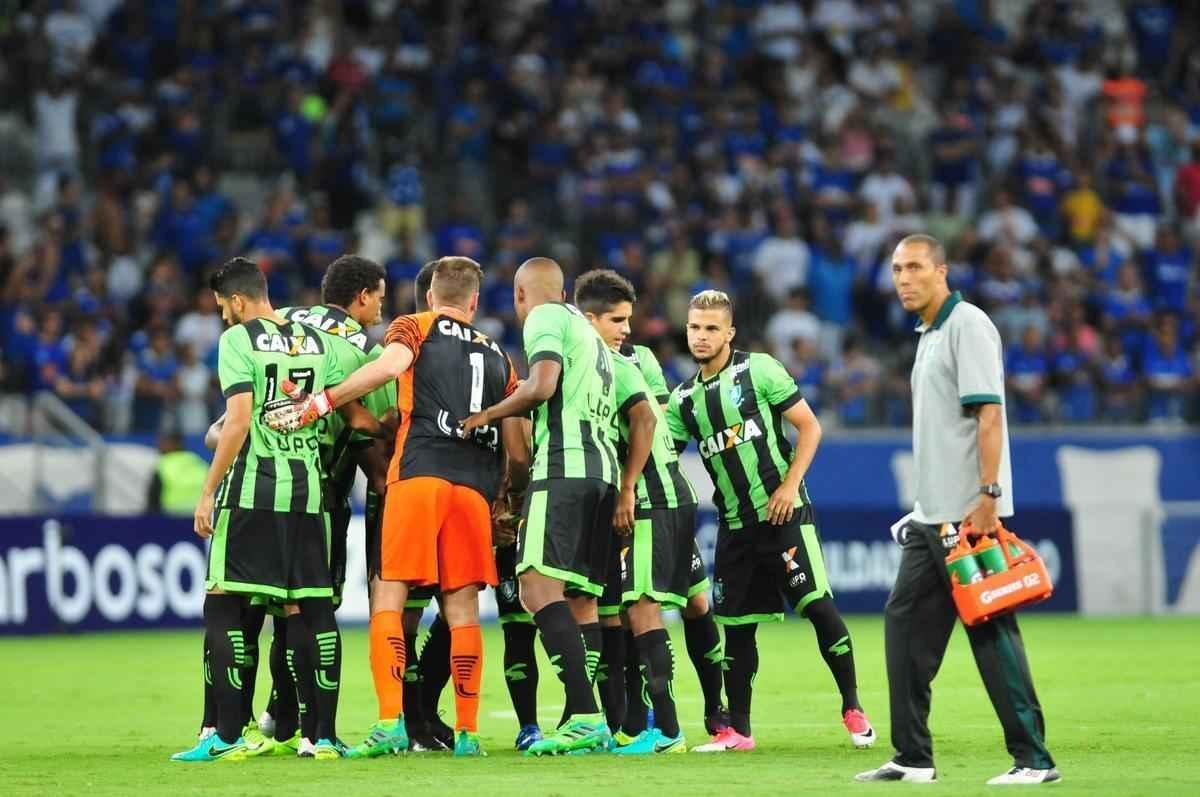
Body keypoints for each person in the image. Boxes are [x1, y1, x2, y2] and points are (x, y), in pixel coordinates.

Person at [266, 256, 527, 758]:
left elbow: (387, 368)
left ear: (431, 296)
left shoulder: (414, 327)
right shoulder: (500, 357)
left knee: (387, 595)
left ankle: (390, 723)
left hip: (418, 474)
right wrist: (507, 503)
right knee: (463, 608)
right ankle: (468, 732)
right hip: (473, 490)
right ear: (474, 301)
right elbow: (517, 450)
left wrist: (319, 403)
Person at [856, 234, 1059, 785]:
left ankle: (1035, 760)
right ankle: (913, 757)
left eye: (916, 266)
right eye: (897, 268)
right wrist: (924, 504)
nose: (904, 278)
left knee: (991, 632)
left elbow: (988, 416)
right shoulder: (929, 333)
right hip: (932, 517)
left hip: (967, 518)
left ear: (942, 271)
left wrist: (989, 497)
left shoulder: (967, 324)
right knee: (903, 629)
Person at [171, 257, 381, 763]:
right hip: (310, 494)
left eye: (224, 308)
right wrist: (392, 427)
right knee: (309, 609)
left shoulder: (237, 342)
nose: (223, 318)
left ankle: (224, 735)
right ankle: (322, 736)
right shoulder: (323, 345)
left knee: (224, 605)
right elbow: (356, 417)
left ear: (239, 301)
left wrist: (207, 492)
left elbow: (237, 422)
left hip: (252, 493)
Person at [664, 289, 875, 753]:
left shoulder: (758, 369)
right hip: (735, 526)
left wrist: (787, 486)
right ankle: (739, 730)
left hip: (785, 515)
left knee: (818, 606)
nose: (702, 336)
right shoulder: (683, 400)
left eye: (712, 328)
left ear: (730, 333)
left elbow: (810, 426)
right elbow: (664, 458)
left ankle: (853, 708)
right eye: (695, 328)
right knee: (737, 627)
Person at [459, 257, 621, 756]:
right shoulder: (591, 335)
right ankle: (584, 721)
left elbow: (541, 385)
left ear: (522, 296)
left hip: (564, 469)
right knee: (581, 599)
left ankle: (586, 715)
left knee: (533, 586)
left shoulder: (546, 318)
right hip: (603, 474)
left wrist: (487, 413)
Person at [575, 269, 692, 754]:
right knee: (635, 612)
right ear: (588, 318)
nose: (626, 329)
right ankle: (654, 726)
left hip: (654, 499)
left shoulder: (615, 366)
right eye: (617, 320)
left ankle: (666, 730)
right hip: (658, 499)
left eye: (627, 320)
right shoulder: (600, 361)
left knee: (644, 612)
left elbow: (644, 420)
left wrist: (626, 488)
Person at [146, 431, 209, 515]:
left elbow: (153, 498)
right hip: (201, 516)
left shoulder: (163, 464)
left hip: (172, 517)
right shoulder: (198, 461)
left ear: (175, 444)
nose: (159, 446)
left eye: (164, 442)